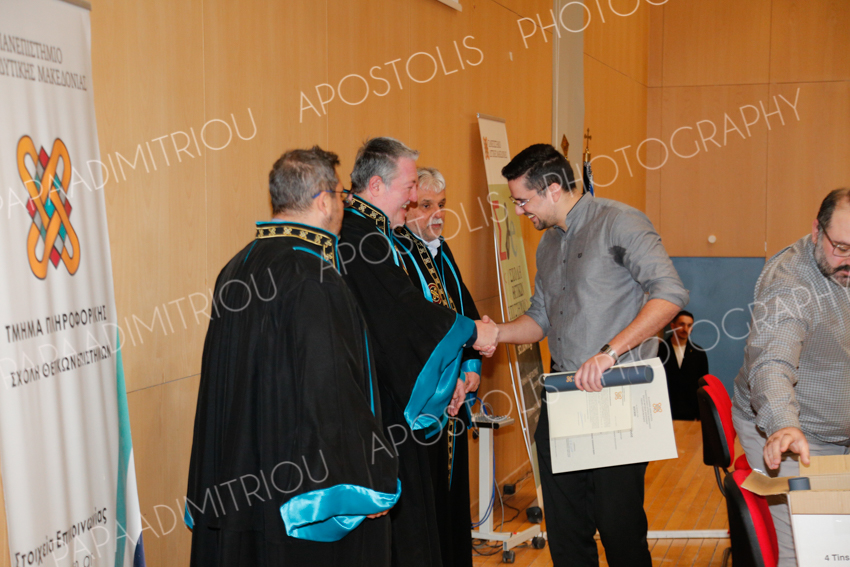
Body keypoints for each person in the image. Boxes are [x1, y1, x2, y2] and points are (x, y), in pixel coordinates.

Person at [185, 147, 400, 567]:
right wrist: (368, 478)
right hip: (296, 484)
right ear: (323, 201)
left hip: (240, 481)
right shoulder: (314, 274)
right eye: (340, 195)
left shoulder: (236, 267)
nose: (343, 206)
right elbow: (331, 390)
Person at [482, 144, 688, 567]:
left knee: (617, 525)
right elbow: (540, 319)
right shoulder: (546, 245)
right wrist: (497, 332)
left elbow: (670, 294)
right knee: (564, 525)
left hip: (619, 394)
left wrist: (609, 353)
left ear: (553, 189)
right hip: (563, 396)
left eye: (523, 200)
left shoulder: (620, 222)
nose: (519, 211)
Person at [338, 137, 497, 567]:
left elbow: (445, 308)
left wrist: (462, 366)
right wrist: (471, 334)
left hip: (415, 394)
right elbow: (403, 315)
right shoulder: (362, 237)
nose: (413, 202)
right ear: (376, 185)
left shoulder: (379, 235)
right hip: (386, 407)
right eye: (411, 190)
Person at [732, 188, 850, 567]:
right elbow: (772, 361)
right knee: (808, 553)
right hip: (797, 433)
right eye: (842, 248)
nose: (849, 260)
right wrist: (783, 423)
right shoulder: (790, 285)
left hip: (838, 424)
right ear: (816, 231)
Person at [395, 167, 480, 567]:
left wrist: (471, 367)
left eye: (442, 205)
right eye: (426, 205)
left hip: (454, 397)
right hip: (423, 402)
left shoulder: (441, 250)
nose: (438, 214)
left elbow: (466, 312)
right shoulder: (396, 254)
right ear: (408, 206)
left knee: (450, 497)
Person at [660, 310, 709, 420]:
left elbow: (703, 386)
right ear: (673, 326)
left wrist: (700, 414)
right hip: (665, 410)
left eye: (689, 325)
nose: (685, 329)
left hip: (690, 413)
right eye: (681, 324)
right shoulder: (660, 350)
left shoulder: (699, 353)